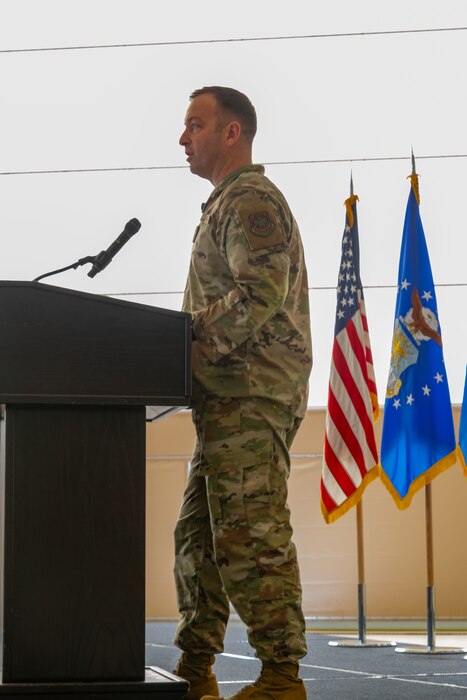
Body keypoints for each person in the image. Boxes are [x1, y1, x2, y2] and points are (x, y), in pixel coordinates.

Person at [173, 86, 312, 700]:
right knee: (200, 537)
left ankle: (282, 676)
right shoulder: (225, 202)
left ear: (232, 133)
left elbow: (260, 294)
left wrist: (182, 344)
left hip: (252, 393)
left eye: (194, 125)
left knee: (250, 532)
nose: (183, 138)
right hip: (225, 397)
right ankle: (195, 669)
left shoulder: (251, 198)